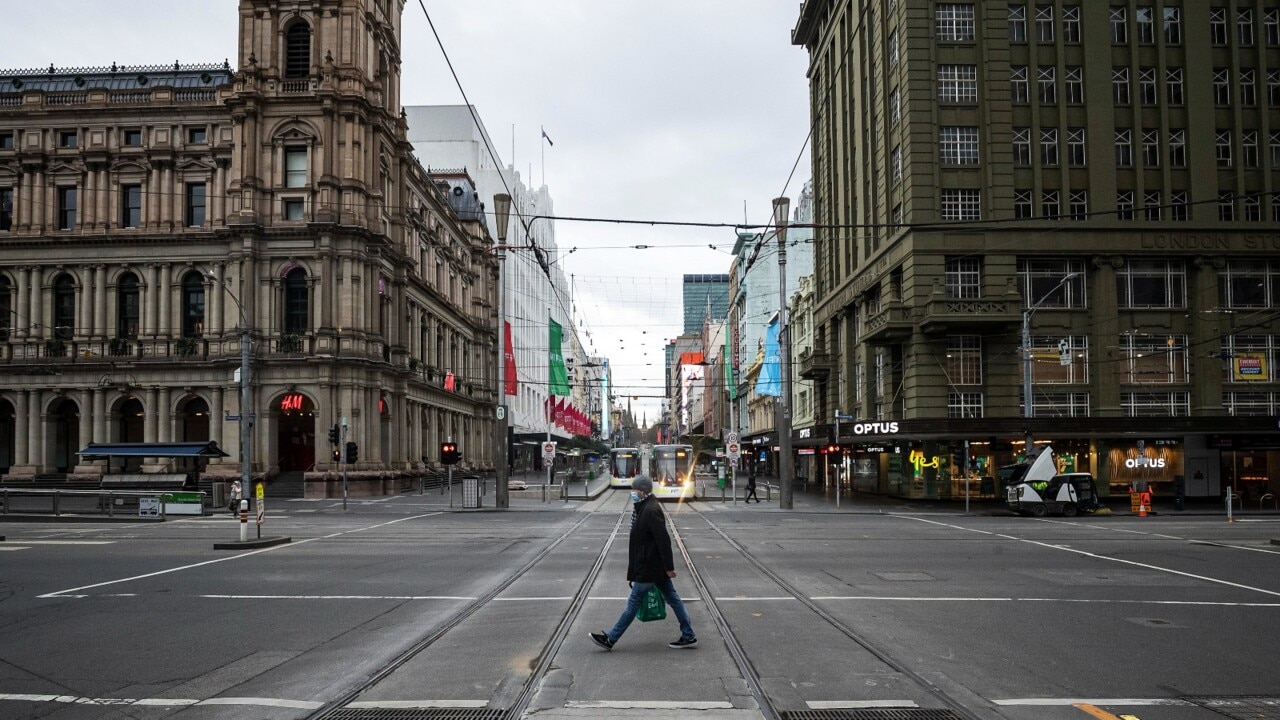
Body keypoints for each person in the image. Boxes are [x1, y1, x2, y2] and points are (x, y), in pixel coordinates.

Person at [590, 475, 697, 650]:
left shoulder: (650, 510)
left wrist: (669, 567)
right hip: (653, 567)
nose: (631, 492)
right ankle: (689, 635)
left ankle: (611, 638)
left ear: (642, 491)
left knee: (633, 604)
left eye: (634, 489)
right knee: (674, 599)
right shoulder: (642, 508)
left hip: (649, 568)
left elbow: (663, 540)